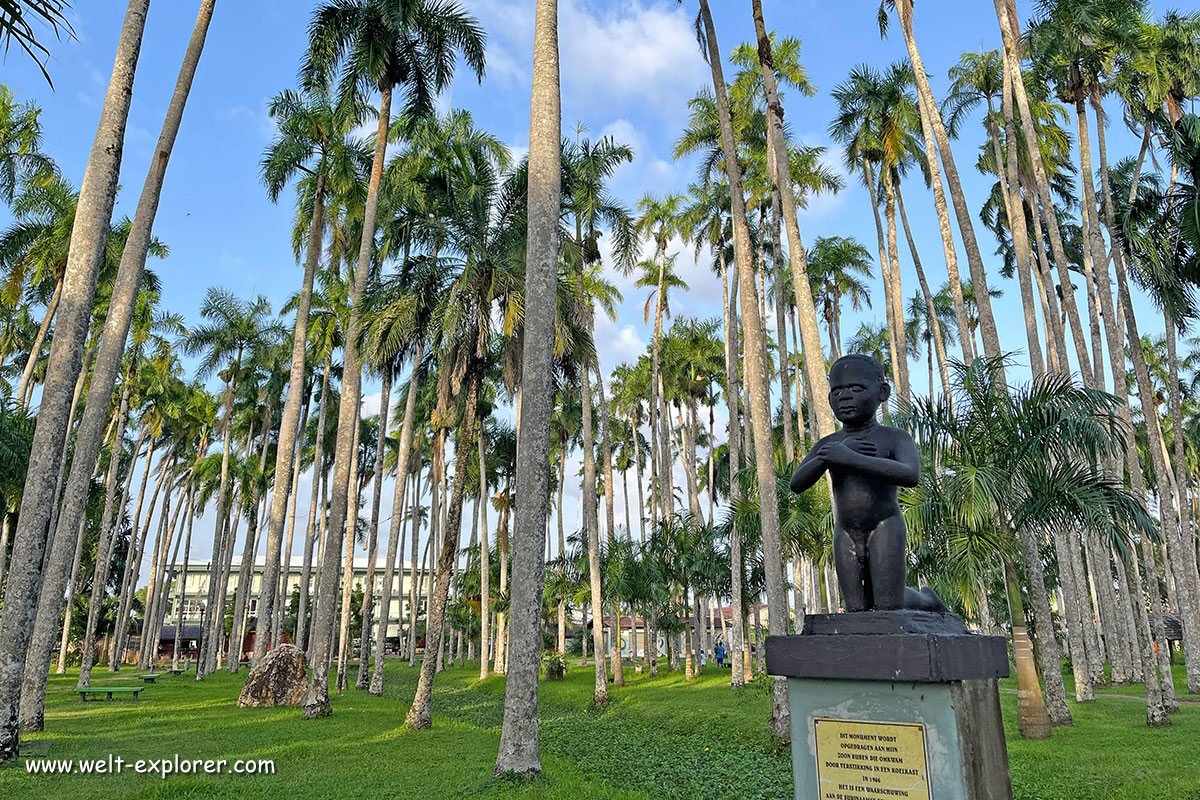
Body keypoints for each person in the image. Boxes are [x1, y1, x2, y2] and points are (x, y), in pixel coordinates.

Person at [789, 354, 946, 613]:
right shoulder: (829, 444)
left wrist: (850, 458)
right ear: (829, 400)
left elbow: (910, 475)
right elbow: (797, 483)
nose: (845, 396)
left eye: (856, 388)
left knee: (888, 606)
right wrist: (828, 456)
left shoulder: (894, 437)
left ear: (881, 392)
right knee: (856, 608)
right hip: (846, 531)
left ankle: (927, 601)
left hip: (885, 525)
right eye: (837, 391)